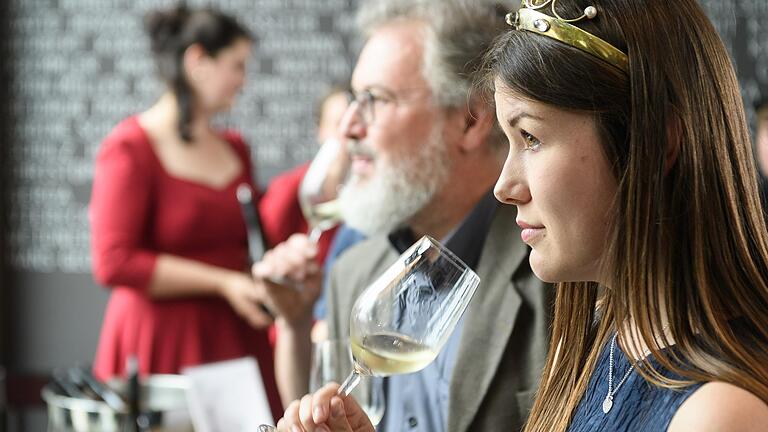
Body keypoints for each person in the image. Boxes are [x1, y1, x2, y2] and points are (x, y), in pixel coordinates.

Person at [272, 0, 768, 431]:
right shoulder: (606, 333)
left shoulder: (718, 414)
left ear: (654, 144)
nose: (505, 187)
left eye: (530, 138)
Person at [253, 0, 553, 429]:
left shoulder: (557, 275)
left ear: (470, 120)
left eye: (374, 100)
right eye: (355, 99)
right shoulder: (354, 273)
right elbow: (324, 405)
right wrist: (295, 323)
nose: (348, 128)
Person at [88, 4, 282, 418]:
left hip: (233, 341)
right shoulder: (129, 148)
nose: (243, 81)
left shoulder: (236, 148)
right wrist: (223, 283)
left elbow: (254, 240)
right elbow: (113, 262)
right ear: (198, 61)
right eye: (236, 65)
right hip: (160, 344)